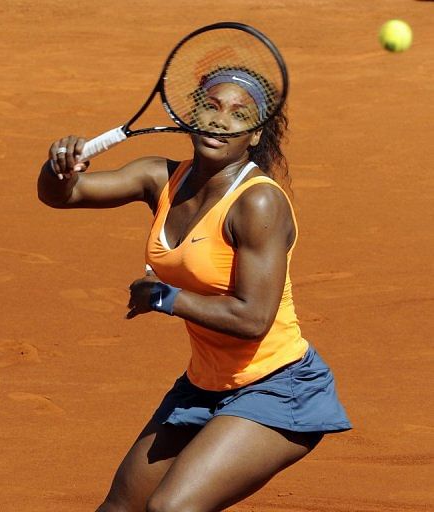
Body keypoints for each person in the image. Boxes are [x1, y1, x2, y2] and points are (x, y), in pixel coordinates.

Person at [37, 67, 351, 512]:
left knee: (171, 508)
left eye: (239, 115)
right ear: (191, 116)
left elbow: (252, 318)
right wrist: (59, 168)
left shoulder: (257, 202)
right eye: (212, 107)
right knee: (119, 508)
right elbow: (62, 195)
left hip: (278, 386)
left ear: (255, 136)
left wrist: (162, 296)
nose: (222, 121)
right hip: (203, 385)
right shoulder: (159, 178)